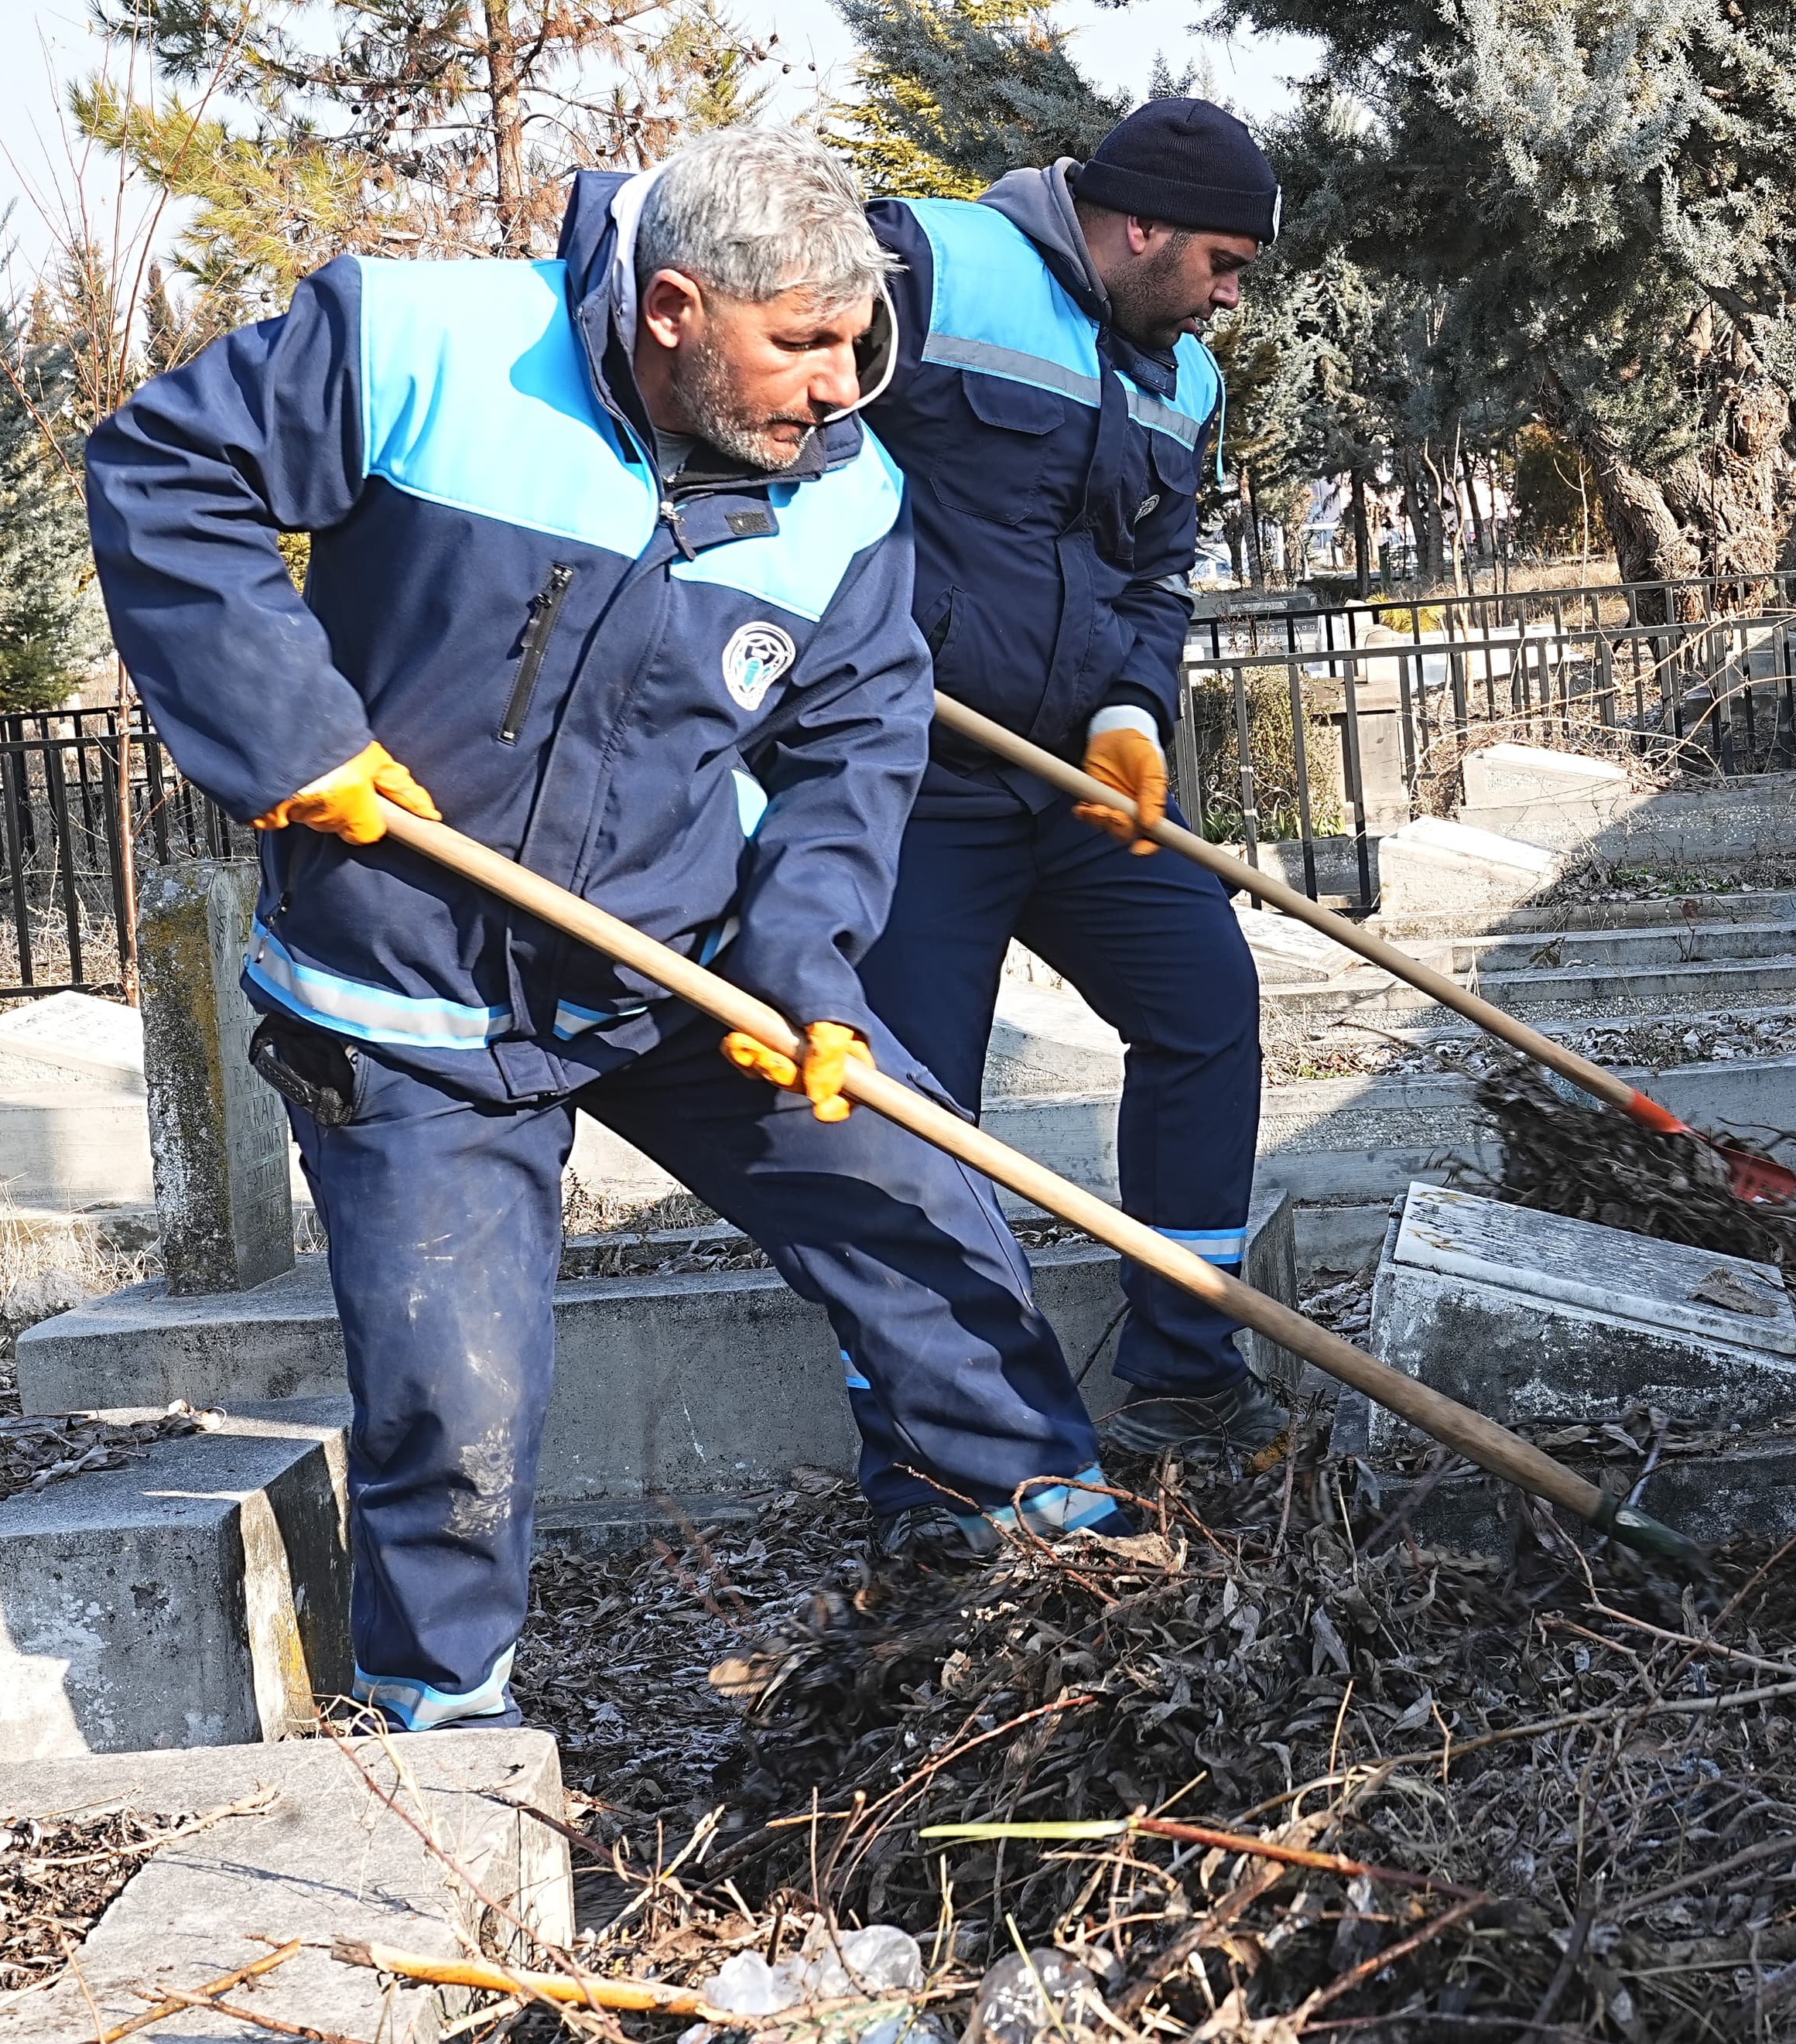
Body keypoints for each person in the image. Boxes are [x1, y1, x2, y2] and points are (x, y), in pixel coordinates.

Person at [84, 126, 1120, 1730]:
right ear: (672, 311)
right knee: (457, 1394)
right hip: (409, 993)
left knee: (926, 1204)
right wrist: (287, 735)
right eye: (800, 347)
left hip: (682, 962)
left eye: (855, 344)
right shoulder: (420, 343)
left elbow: (853, 753)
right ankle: (445, 1723)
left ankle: (1045, 1565)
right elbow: (164, 467)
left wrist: (806, 964)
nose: (839, 386)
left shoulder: (851, 500)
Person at [853, 98, 1285, 1473]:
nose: (1228, 298)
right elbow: (775, 434)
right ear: (1140, 223)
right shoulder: (925, 268)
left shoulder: (1187, 385)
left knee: (1206, 1002)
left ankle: (1183, 1367)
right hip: (914, 782)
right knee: (917, 1106)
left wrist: (1130, 711)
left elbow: (1154, 576)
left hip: (1078, 783)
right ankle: (933, 1450)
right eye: (1223, 262)